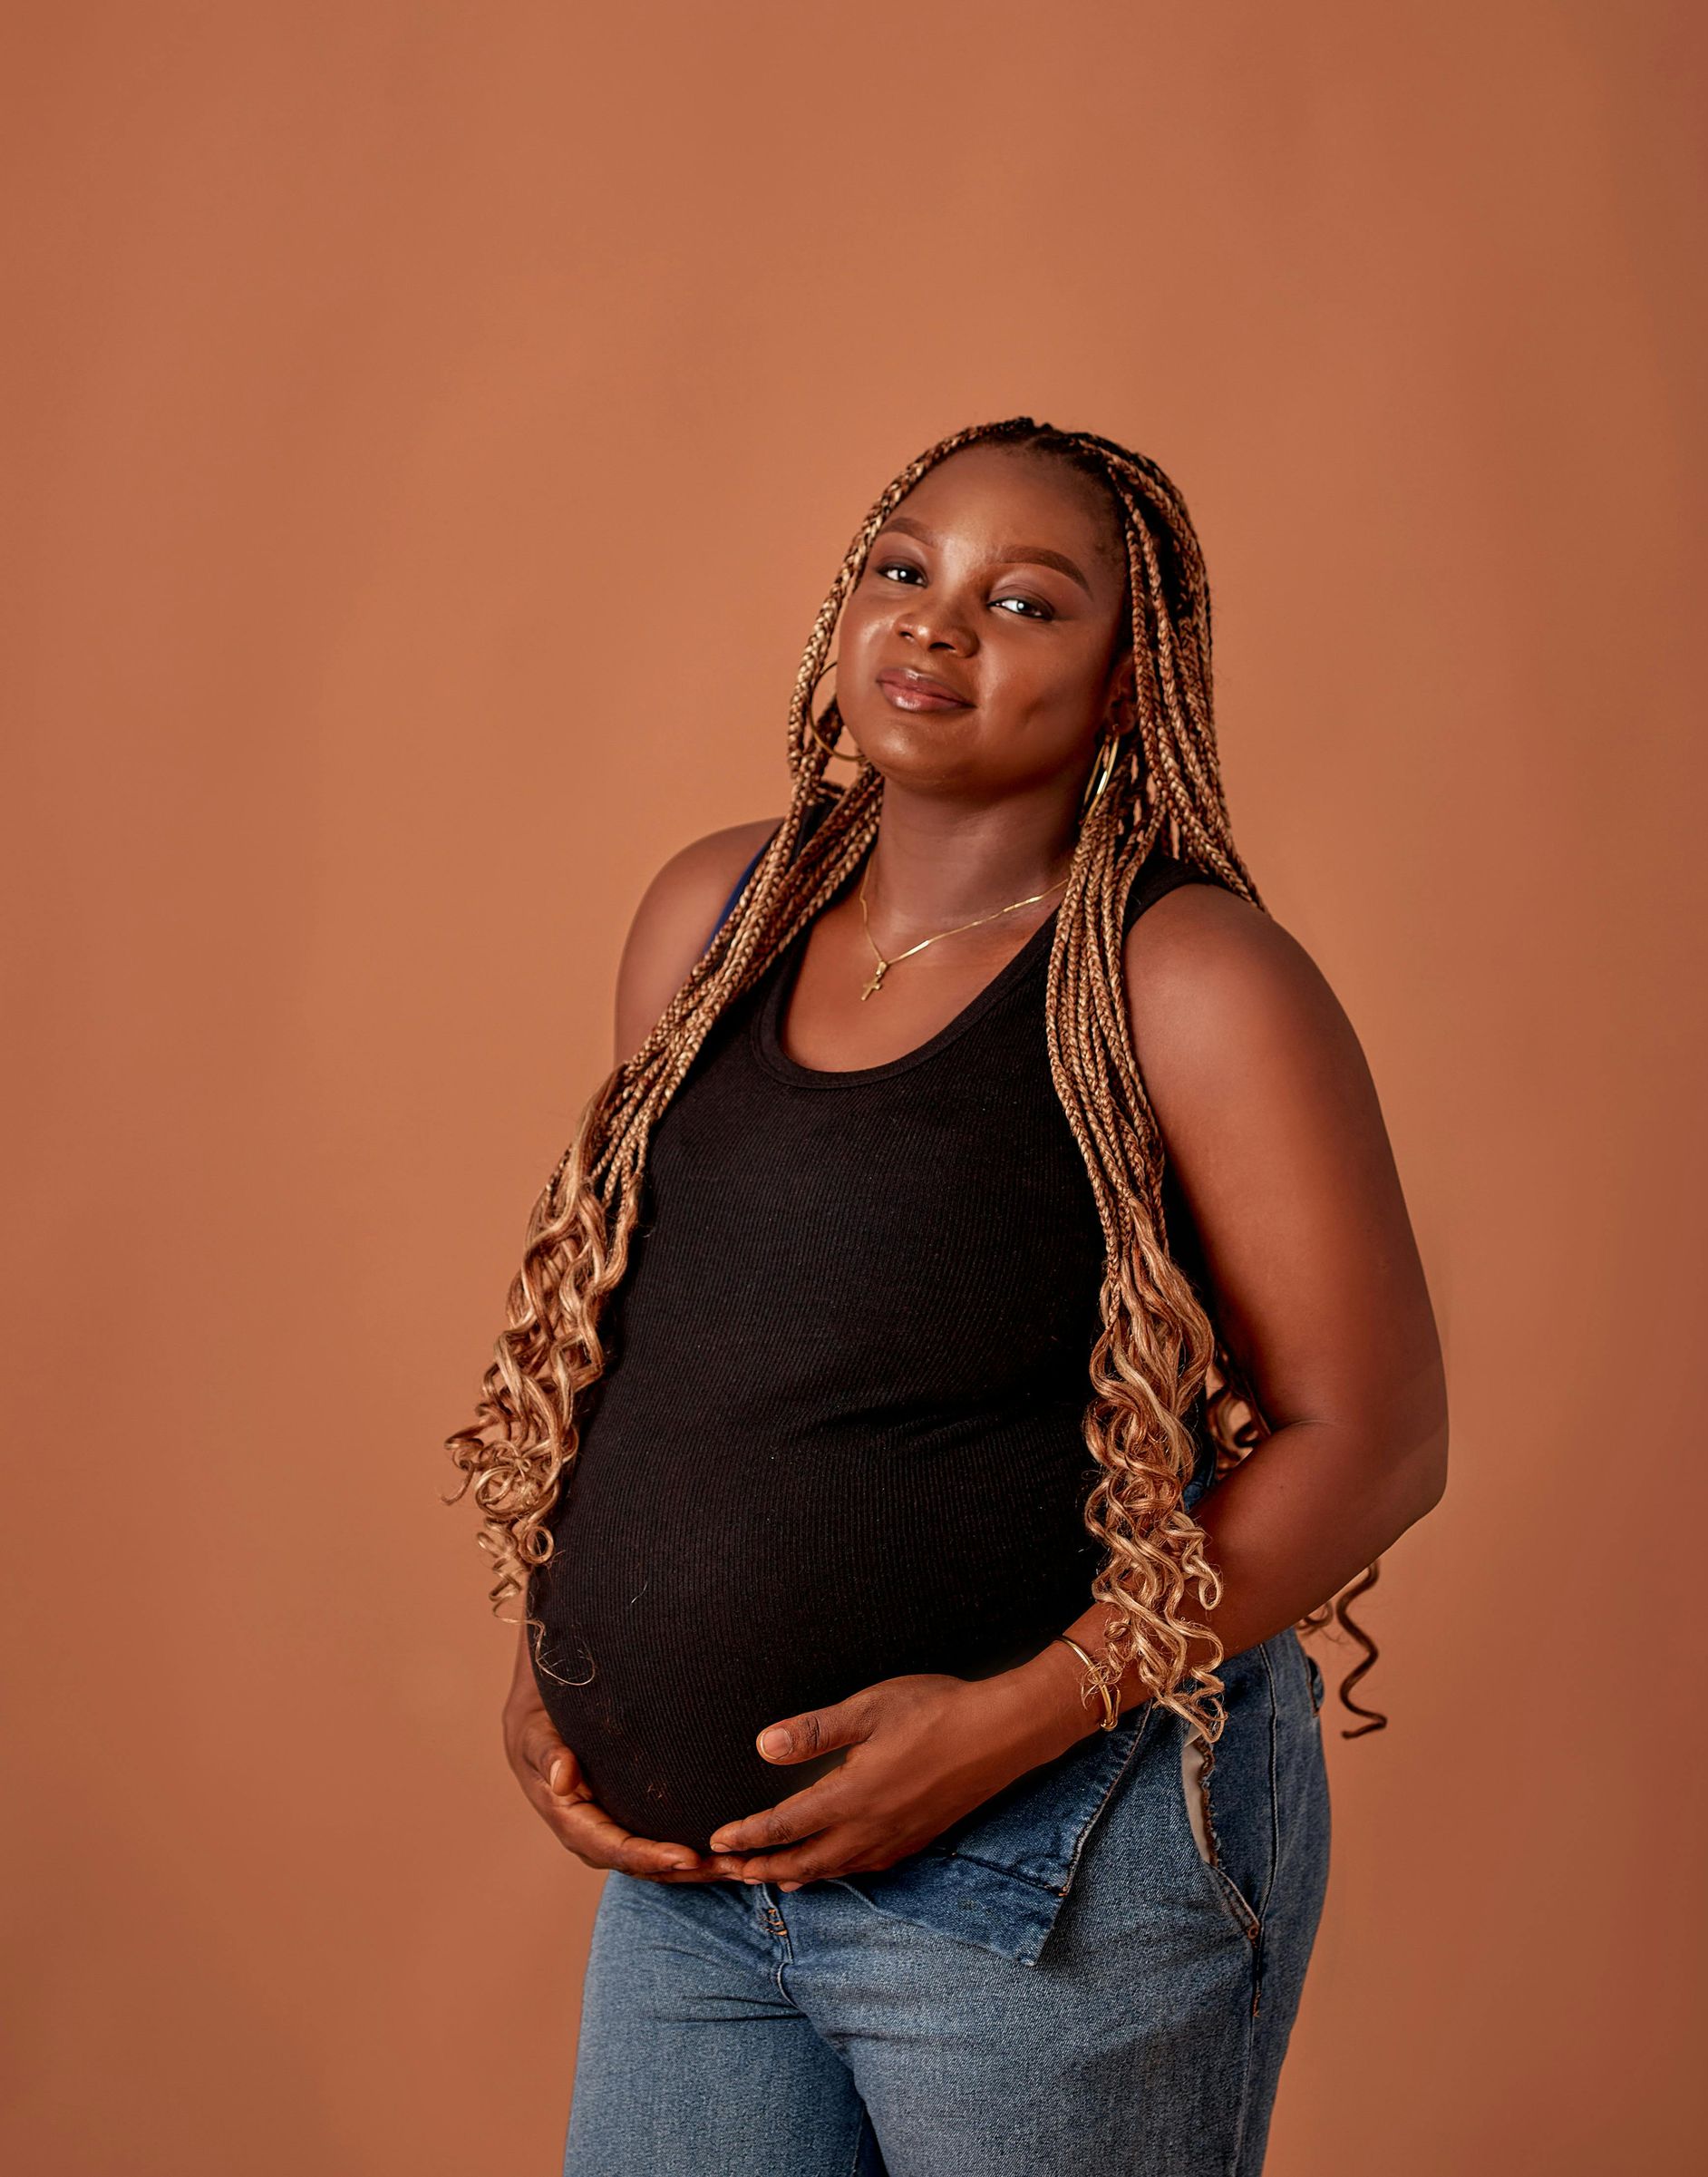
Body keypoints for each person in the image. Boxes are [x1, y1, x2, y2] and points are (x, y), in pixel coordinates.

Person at [447, 417, 1449, 2175]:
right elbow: (662, 1333)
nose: (939, 623)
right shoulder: (714, 919)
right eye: (905, 569)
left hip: (1042, 1864)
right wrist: (570, 1653)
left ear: (1133, 683)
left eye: (1026, 600)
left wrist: (1004, 1722)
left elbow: (1373, 1438)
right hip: (698, 1895)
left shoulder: (1185, 976)